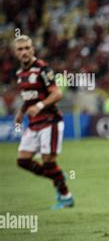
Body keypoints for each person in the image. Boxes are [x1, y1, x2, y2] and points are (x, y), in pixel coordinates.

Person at [13, 35, 74, 210]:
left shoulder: (42, 69)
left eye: (27, 48)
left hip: (50, 121)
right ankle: (58, 176)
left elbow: (57, 94)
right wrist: (21, 112)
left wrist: (39, 106)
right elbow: (29, 98)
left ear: (33, 49)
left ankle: (66, 196)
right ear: (15, 53)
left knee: (48, 162)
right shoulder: (20, 73)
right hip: (34, 123)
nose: (24, 52)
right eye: (20, 49)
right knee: (22, 160)